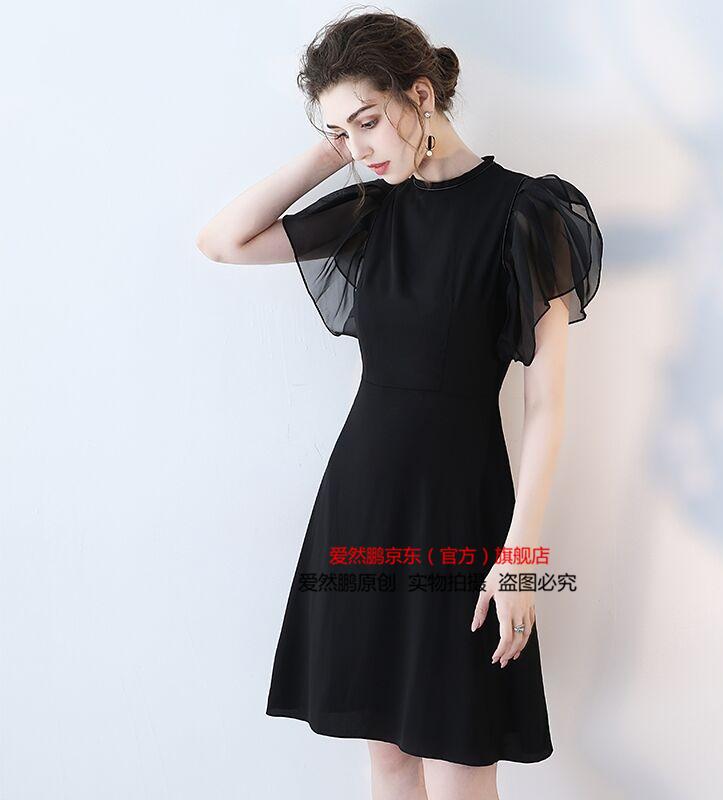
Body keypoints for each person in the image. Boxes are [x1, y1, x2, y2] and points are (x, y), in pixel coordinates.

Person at [196, 9, 602, 800]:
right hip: (362, 505)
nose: (361, 147)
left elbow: (547, 406)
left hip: (461, 513)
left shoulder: (527, 212)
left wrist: (521, 557)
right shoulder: (372, 210)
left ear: (420, 94)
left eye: (369, 120)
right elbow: (223, 241)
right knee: (386, 759)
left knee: (458, 762)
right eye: (341, 132)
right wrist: (334, 148)